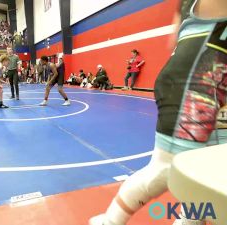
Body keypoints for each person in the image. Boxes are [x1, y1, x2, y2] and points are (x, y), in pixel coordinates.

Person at [89, 0, 227, 224]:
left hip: (215, 87)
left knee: (213, 171)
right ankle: (110, 221)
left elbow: (176, 37)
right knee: (165, 169)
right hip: (194, 87)